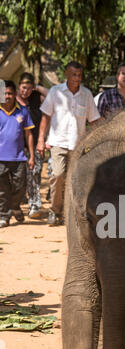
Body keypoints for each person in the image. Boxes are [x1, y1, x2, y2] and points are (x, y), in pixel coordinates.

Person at [36, 61, 100, 226]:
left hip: (79, 144)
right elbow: (46, 117)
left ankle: (71, 212)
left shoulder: (86, 94)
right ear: (66, 74)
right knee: (58, 175)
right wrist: (40, 140)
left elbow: (94, 121)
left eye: (79, 75)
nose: (76, 78)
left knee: (76, 179)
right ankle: (55, 210)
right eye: (73, 75)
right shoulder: (55, 92)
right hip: (58, 141)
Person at [0, 80, 35, 227]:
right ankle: (4, 215)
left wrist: (32, 156)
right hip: (0, 158)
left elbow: (28, 135)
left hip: (19, 157)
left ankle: (15, 206)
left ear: (15, 94)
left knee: (20, 186)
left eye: (10, 93)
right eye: (4, 93)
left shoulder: (23, 111)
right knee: (2, 189)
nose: (7, 96)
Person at [17, 73, 49, 219]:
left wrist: (37, 88)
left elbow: (52, 96)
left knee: (35, 172)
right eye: (24, 88)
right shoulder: (11, 99)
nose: (26, 91)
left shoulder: (37, 99)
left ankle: (34, 204)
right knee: (19, 176)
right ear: (19, 87)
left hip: (35, 142)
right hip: (16, 145)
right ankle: (14, 205)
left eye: (29, 88)